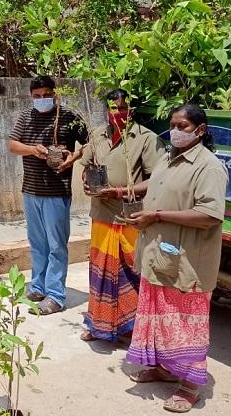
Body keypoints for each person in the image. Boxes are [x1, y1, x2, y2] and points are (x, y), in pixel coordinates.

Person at [124, 104, 227, 413]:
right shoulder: (169, 158)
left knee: (185, 323)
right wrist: (120, 192)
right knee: (158, 318)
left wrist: (156, 215)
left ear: (200, 130)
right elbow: (154, 184)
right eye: (172, 124)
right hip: (160, 255)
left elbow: (209, 214)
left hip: (187, 261)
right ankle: (163, 367)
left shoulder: (208, 167)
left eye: (183, 126)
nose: (176, 131)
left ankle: (190, 384)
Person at [79, 89, 163, 343]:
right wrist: (87, 180)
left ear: (132, 111)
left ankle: (133, 329)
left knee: (132, 272)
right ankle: (99, 324)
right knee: (101, 272)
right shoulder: (97, 135)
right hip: (102, 215)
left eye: (123, 109)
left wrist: (119, 191)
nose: (117, 114)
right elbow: (87, 166)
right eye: (113, 109)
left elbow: (156, 180)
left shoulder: (146, 139)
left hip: (129, 217)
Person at [8, 75, 89, 315]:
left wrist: (72, 158)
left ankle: (56, 295)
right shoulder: (26, 116)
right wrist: (33, 150)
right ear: (31, 96)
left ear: (55, 94)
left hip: (56, 190)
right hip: (31, 189)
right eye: (37, 96)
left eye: (46, 95)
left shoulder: (68, 116)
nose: (42, 100)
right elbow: (13, 144)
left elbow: (87, 143)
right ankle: (38, 287)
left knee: (56, 245)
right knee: (37, 243)